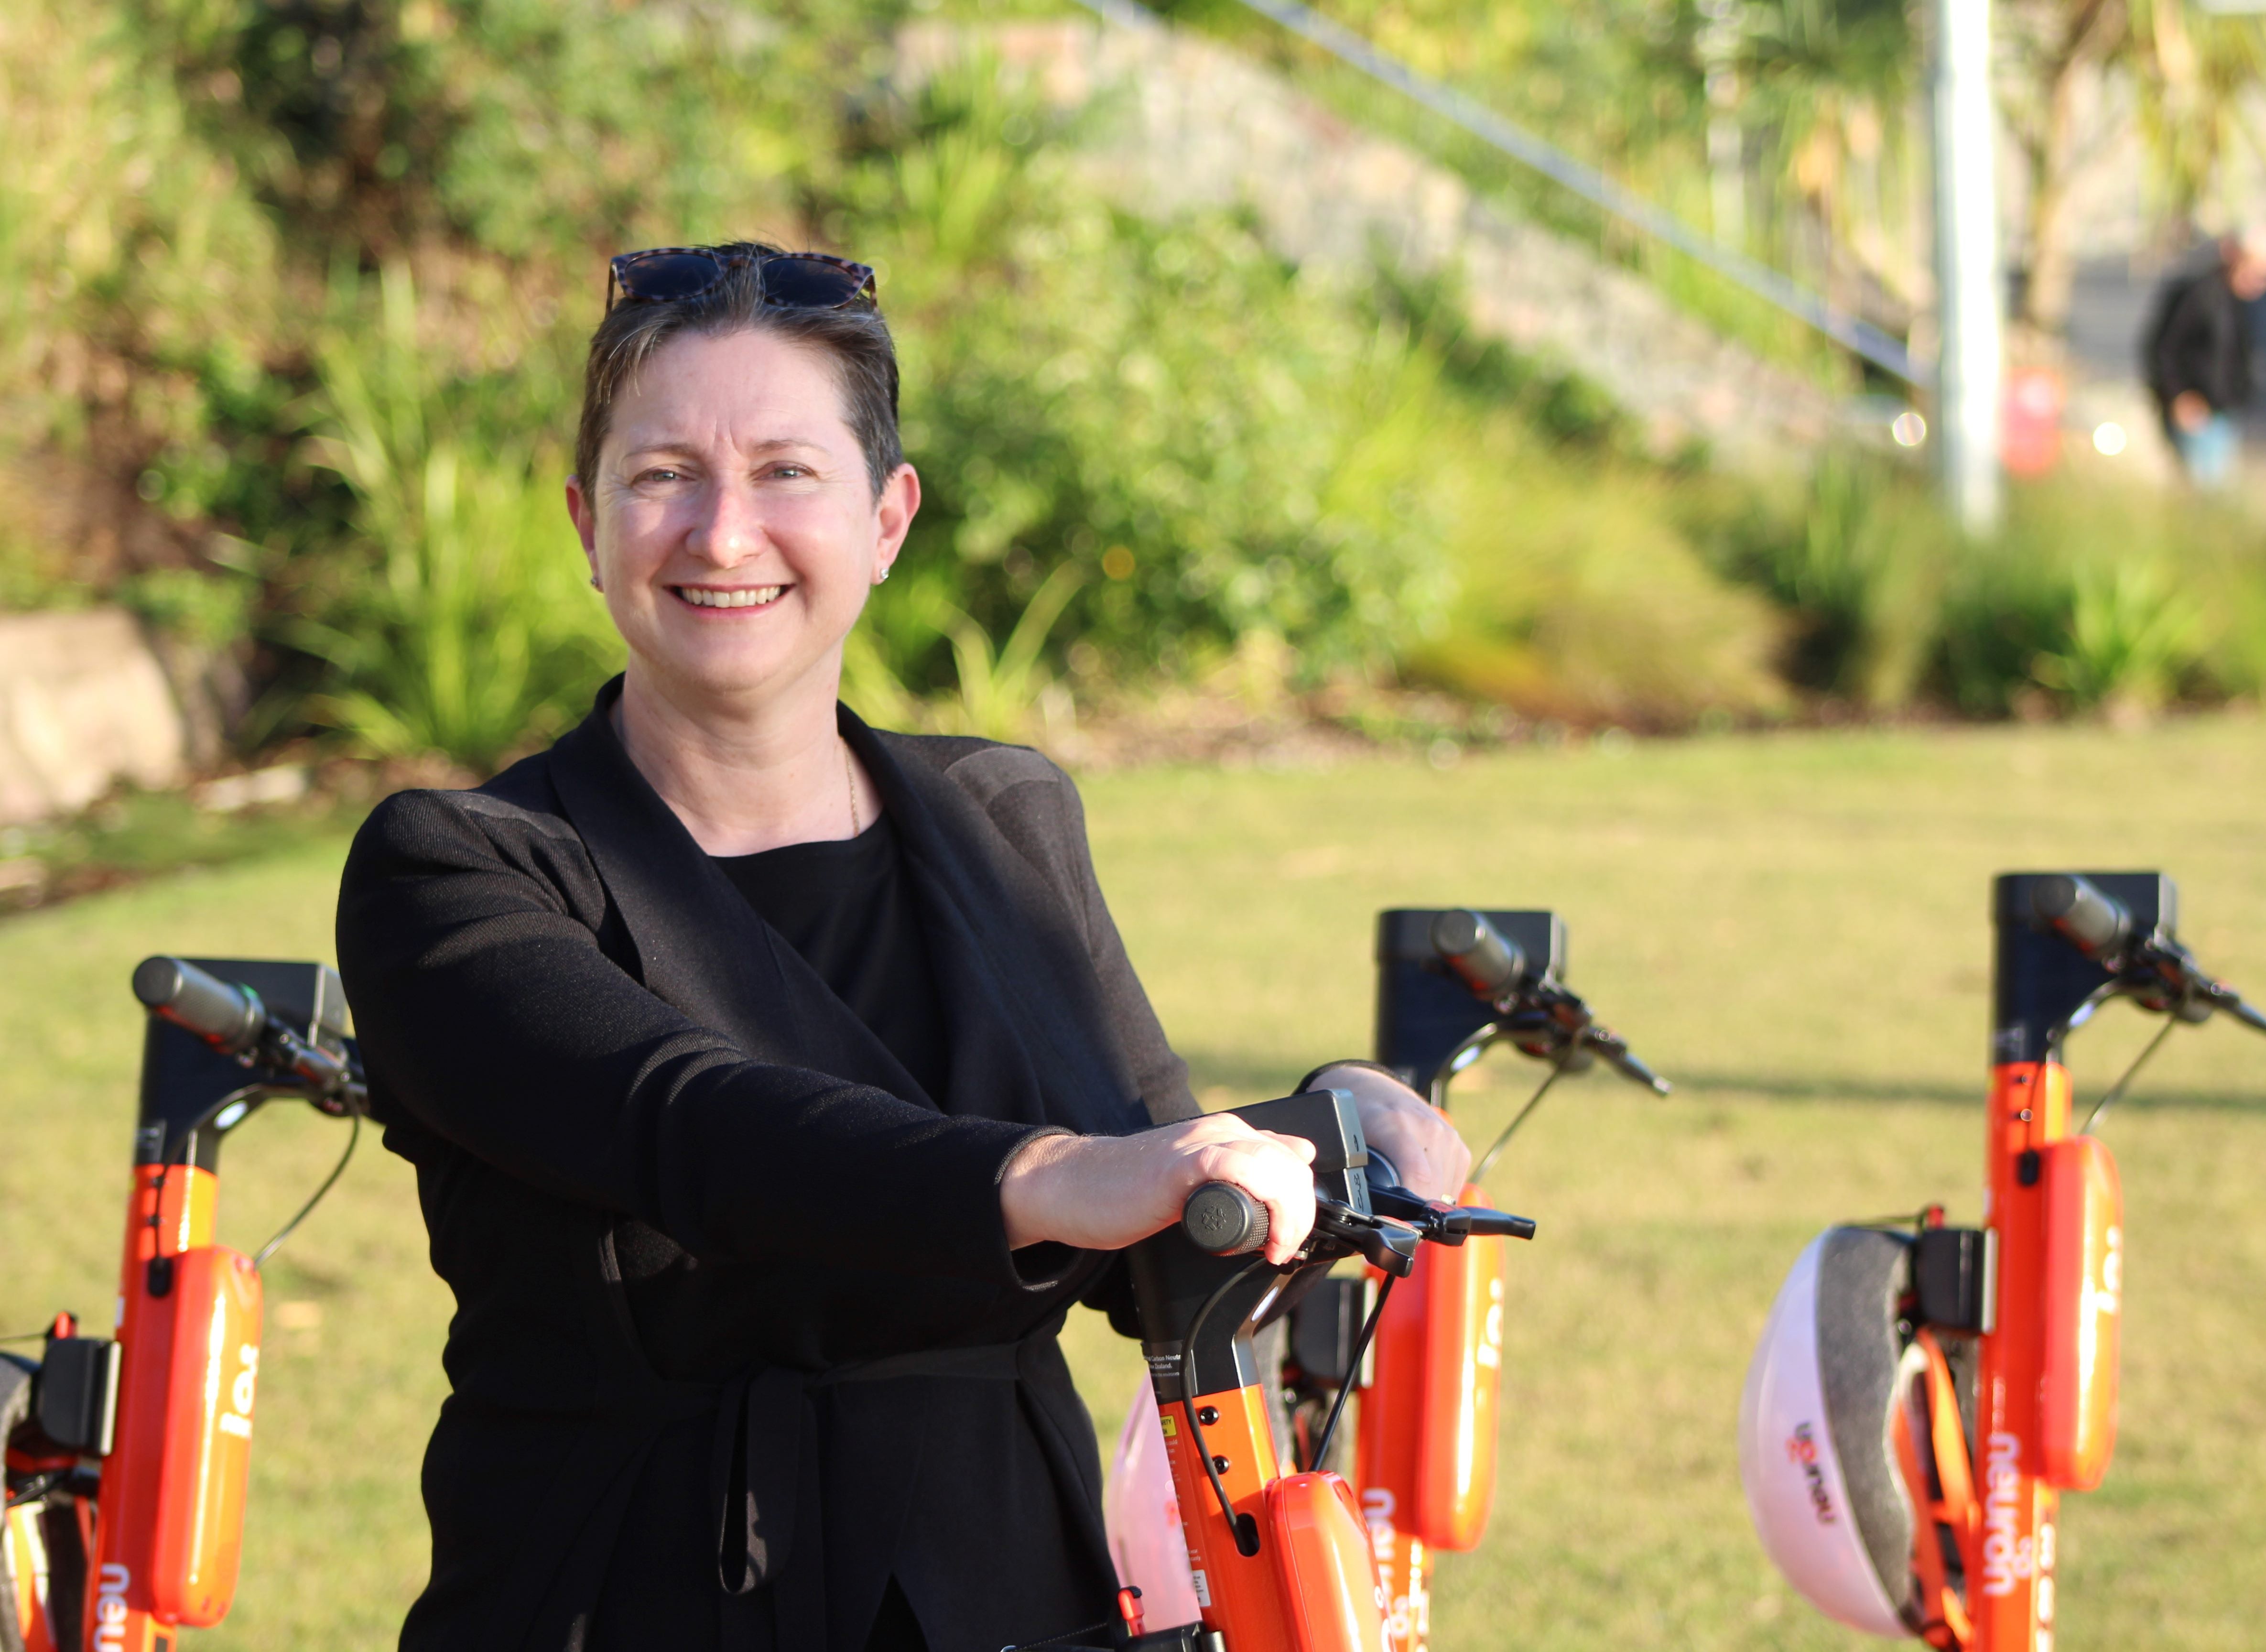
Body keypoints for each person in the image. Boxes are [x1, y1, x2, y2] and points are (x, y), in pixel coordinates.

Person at [334, 243, 1470, 1652]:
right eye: (663, 474)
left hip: (1007, 1587)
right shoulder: (456, 869)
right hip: (625, 1594)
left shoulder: (1005, 815)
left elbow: (1149, 1203)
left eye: (786, 473)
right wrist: (1052, 1172)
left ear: (888, 518)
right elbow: (693, 1130)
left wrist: (1328, 1121)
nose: (724, 534)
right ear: (585, 520)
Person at [2140, 224, 2266, 489]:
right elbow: (2163, 349)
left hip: (2224, 410)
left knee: (2222, 491)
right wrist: (2178, 396)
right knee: (2204, 493)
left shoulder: (2237, 300)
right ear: (2238, 257)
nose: (2264, 283)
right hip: (2197, 414)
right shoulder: (2199, 294)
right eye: (2262, 273)